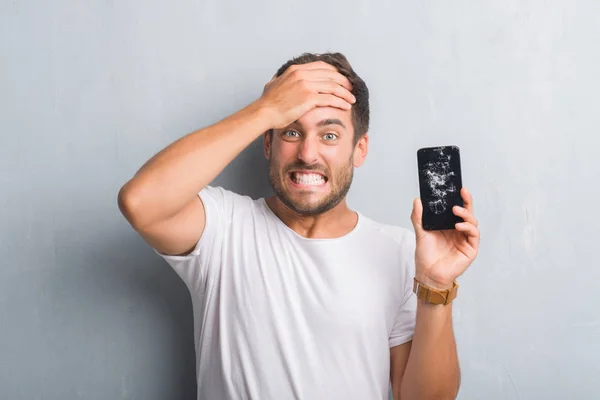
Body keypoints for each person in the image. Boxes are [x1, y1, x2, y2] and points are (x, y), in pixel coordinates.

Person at [117, 52, 480, 400]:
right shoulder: (222, 228)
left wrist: (435, 286)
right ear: (267, 142)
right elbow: (140, 202)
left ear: (359, 149)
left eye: (330, 135)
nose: (308, 154)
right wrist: (265, 109)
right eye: (291, 132)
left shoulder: (400, 252)